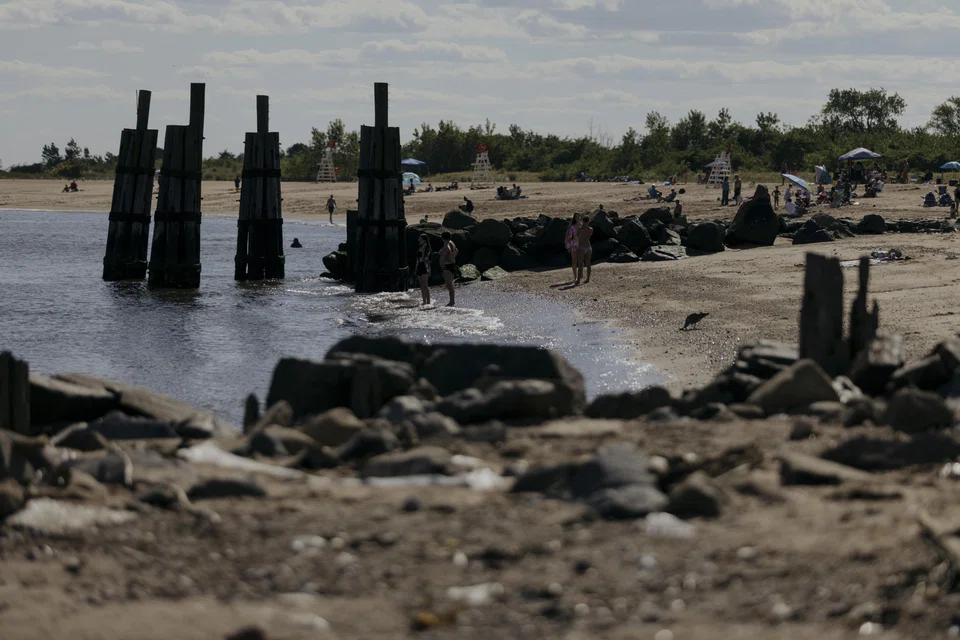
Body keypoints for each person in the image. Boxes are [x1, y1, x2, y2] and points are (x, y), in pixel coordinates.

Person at [439, 231, 458, 307]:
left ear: (442, 237)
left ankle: (451, 302)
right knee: (450, 284)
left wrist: (446, 259)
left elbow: (448, 250)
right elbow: (457, 250)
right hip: (452, 264)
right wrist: (452, 258)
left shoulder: (447, 244)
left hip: (447, 266)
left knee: (449, 285)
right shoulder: (452, 242)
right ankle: (452, 301)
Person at [576, 215, 594, 285]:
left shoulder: (580, 229)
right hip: (588, 247)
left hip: (581, 247)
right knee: (588, 264)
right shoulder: (591, 229)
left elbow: (577, 235)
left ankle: (578, 280)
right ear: (588, 221)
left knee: (580, 264)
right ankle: (588, 279)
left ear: (582, 221)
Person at [416, 234, 431, 306]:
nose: (419, 241)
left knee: (425, 285)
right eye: (419, 240)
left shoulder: (427, 248)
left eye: (420, 239)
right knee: (421, 285)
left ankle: (428, 301)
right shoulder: (419, 247)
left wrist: (423, 249)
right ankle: (424, 301)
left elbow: (426, 258)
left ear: (425, 240)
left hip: (425, 266)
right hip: (419, 265)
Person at [564, 213, 580, 281]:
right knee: (574, 261)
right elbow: (569, 237)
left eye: (579, 217)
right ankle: (575, 276)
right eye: (576, 218)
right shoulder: (572, 227)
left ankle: (579, 275)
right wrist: (568, 245)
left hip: (581, 244)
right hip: (574, 244)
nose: (578, 219)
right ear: (575, 219)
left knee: (581, 261)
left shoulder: (582, 226)